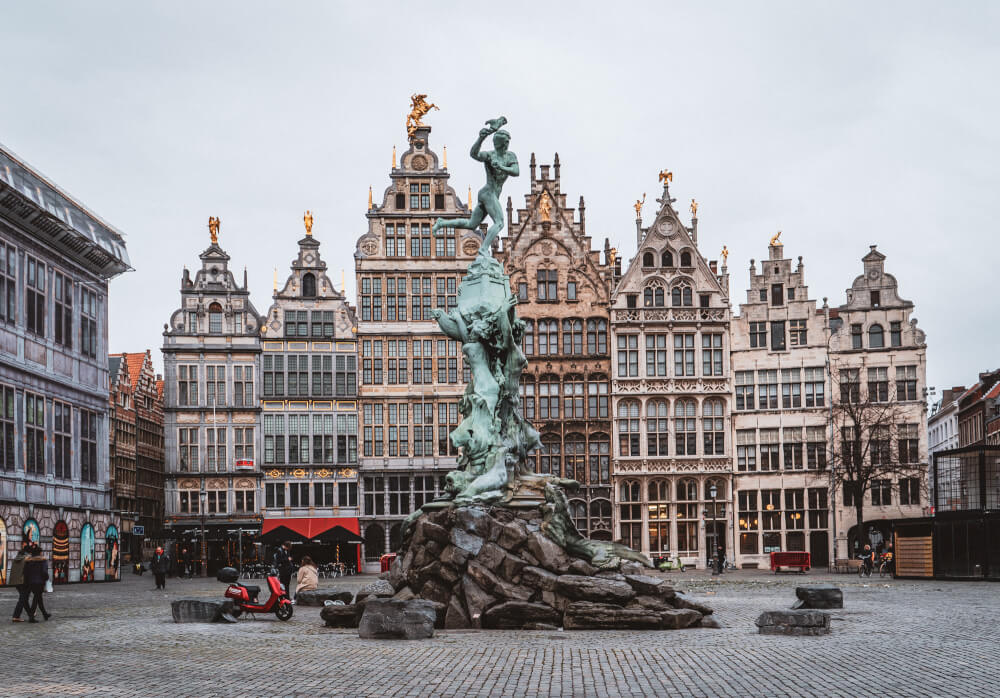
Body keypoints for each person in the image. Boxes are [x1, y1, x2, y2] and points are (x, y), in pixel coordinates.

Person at [24, 544, 50, 622]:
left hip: (31, 582)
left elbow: (25, 572)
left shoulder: (28, 561)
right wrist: (46, 579)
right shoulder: (43, 561)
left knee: (38, 598)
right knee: (36, 599)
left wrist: (27, 581)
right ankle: (31, 617)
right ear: (40, 553)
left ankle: (45, 614)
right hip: (39, 582)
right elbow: (44, 572)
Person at [9, 542, 31, 622]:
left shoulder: (17, 558)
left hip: (16, 582)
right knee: (22, 599)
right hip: (23, 582)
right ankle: (16, 616)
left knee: (24, 599)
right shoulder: (27, 558)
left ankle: (30, 614)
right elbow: (28, 571)